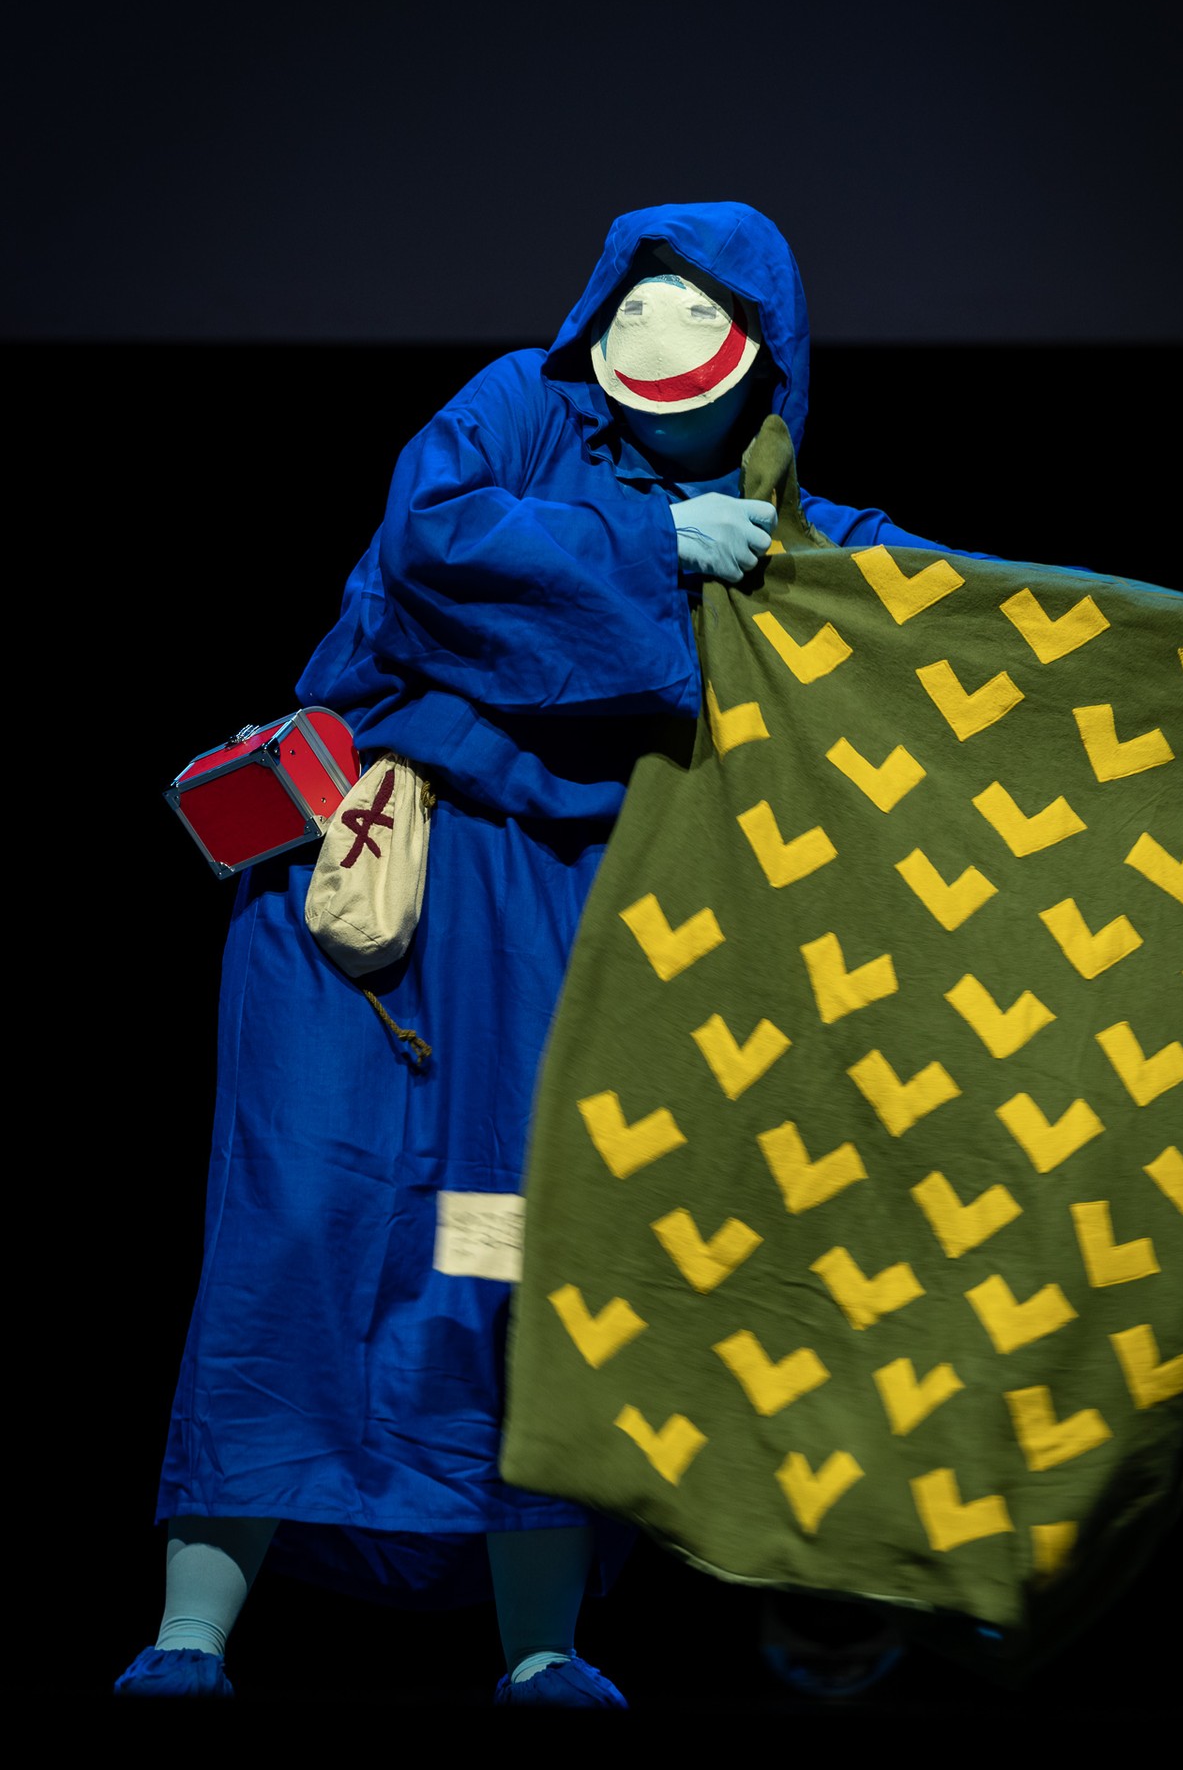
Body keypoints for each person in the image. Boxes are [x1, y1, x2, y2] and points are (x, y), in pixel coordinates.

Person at [114, 200, 981, 1706]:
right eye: (638, 303)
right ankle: (191, 1637)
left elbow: (942, 615)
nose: (660, 338)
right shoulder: (524, 401)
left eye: (703, 316)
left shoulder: (784, 521)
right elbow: (432, 533)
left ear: (764, 356)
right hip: (378, 882)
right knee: (299, 1219)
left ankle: (540, 1645)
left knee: (512, 1242)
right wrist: (649, 543)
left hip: (567, 915)